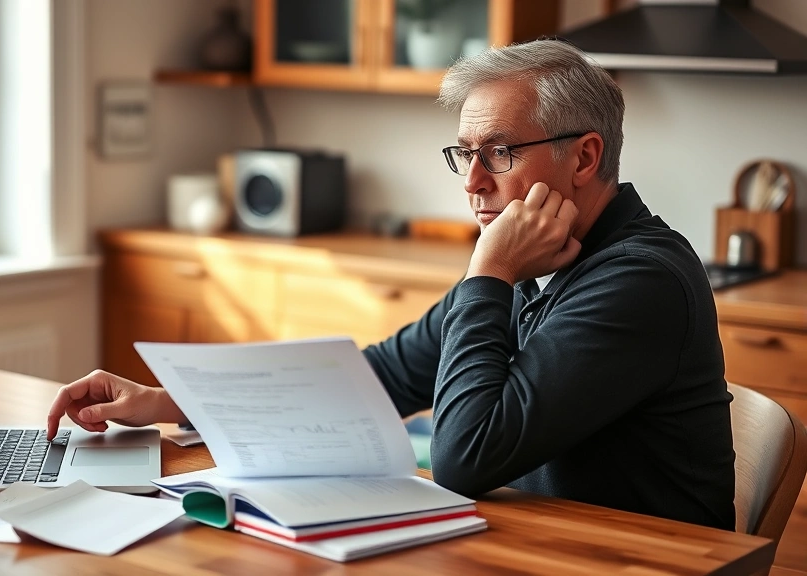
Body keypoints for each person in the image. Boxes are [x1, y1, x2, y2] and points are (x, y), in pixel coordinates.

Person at [47, 39, 735, 530]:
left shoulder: (638, 280)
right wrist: (170, 402)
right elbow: (370, 378)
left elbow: (466, 458)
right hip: (538, 544)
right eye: (465, 154)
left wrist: (488, 272)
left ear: (584, 156)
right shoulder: (543, 258)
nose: (472, 182)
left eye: (499, 151)